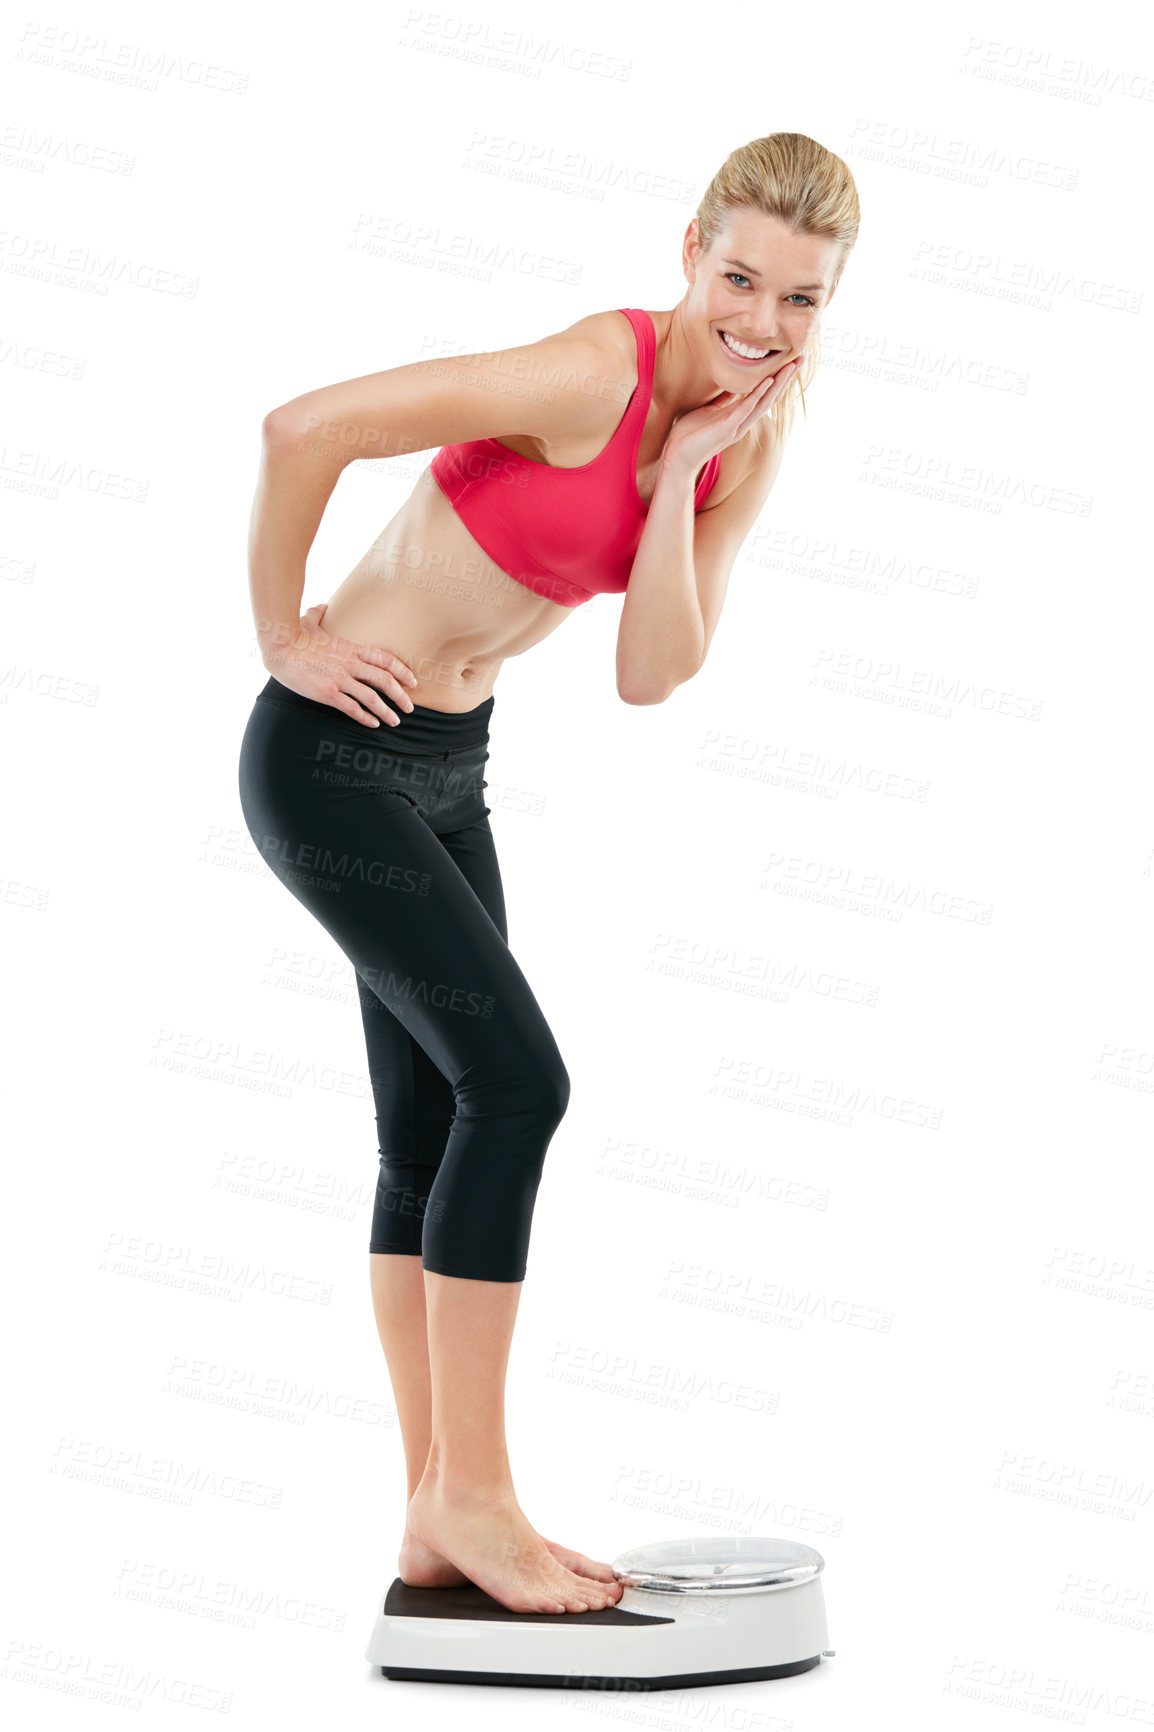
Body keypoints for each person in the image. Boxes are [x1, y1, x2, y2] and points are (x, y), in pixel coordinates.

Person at [237, 131, 860, 1617]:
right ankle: (478, 1493)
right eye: (738, 278)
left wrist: (692, 472)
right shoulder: (595, 370)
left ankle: (429, 1515)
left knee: (432, 1127)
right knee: (518, 1087)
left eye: (802, 298)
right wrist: (282, 637)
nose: (761, 322)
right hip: (329, 757)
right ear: (690, 249)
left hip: (448, 778)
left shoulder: (749, 434)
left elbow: (653, 672)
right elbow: (303, 427)